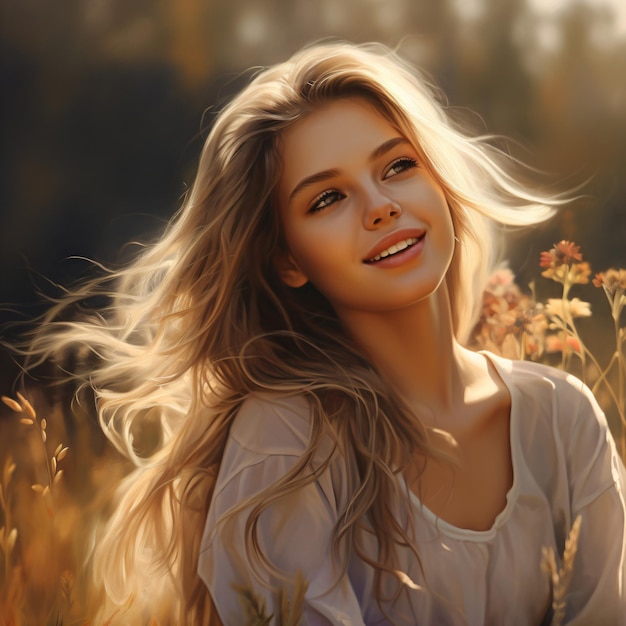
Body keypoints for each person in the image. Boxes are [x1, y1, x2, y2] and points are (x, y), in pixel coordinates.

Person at [17, 41, 625, 625]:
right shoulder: (289, 439)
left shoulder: (563, 417)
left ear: (439, 181)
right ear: (288, 260)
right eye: (328, 198)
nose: (380, 205)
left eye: (398, 165)